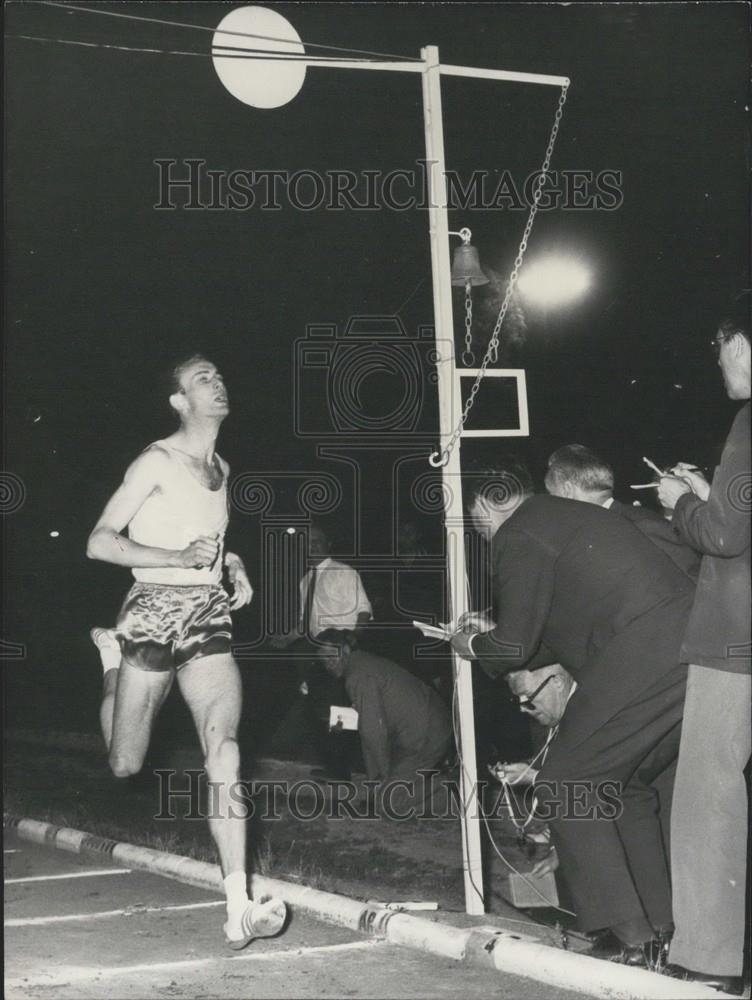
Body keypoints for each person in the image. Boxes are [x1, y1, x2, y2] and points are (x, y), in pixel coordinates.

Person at [450, 459, 695, 967]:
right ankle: (663, 934)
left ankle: (631, 938)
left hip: (646, 649)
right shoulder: (556, 519)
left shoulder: (518, 531)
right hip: (682, 647)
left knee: (566, 782)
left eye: (472, 517)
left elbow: (514, 647)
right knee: (623, 785)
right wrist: (491, 633)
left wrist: (469, 642)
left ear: (486, 502)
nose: (476, 529)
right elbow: (545, 635)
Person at [86, 353, 286, 950]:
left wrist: (234, 563)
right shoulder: (156, 460)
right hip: (151, 609)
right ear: (178, 400)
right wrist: (174, 560)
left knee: (224, 751)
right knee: (125, 763)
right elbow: (98, 542)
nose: (218, 383)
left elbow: (209, 537)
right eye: (203, 378)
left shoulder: (222, 465)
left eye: (220, 376)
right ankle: (109, 664)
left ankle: (237, 908)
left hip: (207, 615)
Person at [656, 307, 751, 996]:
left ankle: (705, 957)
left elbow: (723, 537)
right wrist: (710, 490)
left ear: (742, 344)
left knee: (706, 793)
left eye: (719, 348)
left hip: (735, 638)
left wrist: (678, 504)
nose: (718, 362)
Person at [271, 523, 372, 780]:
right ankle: (331, 765)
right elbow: (307, 624)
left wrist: (350, 643)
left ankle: (342, 769)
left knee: (341, 710)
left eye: (318, 541)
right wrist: (286, 638)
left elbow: (363, 611)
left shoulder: (344, 572)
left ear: (329, 545)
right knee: (318, 709)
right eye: (308, 542)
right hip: (316, 652)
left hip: (340, 647)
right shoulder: (306, 581)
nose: (312, 546)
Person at [315, 628, 452, 812]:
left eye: (332, 656)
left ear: (346, 649)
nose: (329, 664)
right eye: (324, 660)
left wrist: (383, 776)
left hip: (426, 735)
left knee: (389, 804)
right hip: (425, 728)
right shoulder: (362, 663)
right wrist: (375, 782)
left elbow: (373, 732)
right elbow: (368, 728)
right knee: (384, 795)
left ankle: (454, 785)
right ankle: (443, 786)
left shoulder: (358, 675)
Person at [544, 444, 700, 580]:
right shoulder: (589, 531)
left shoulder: (644, 526)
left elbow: (693, 586)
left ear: (567, 490)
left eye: (553, 495)